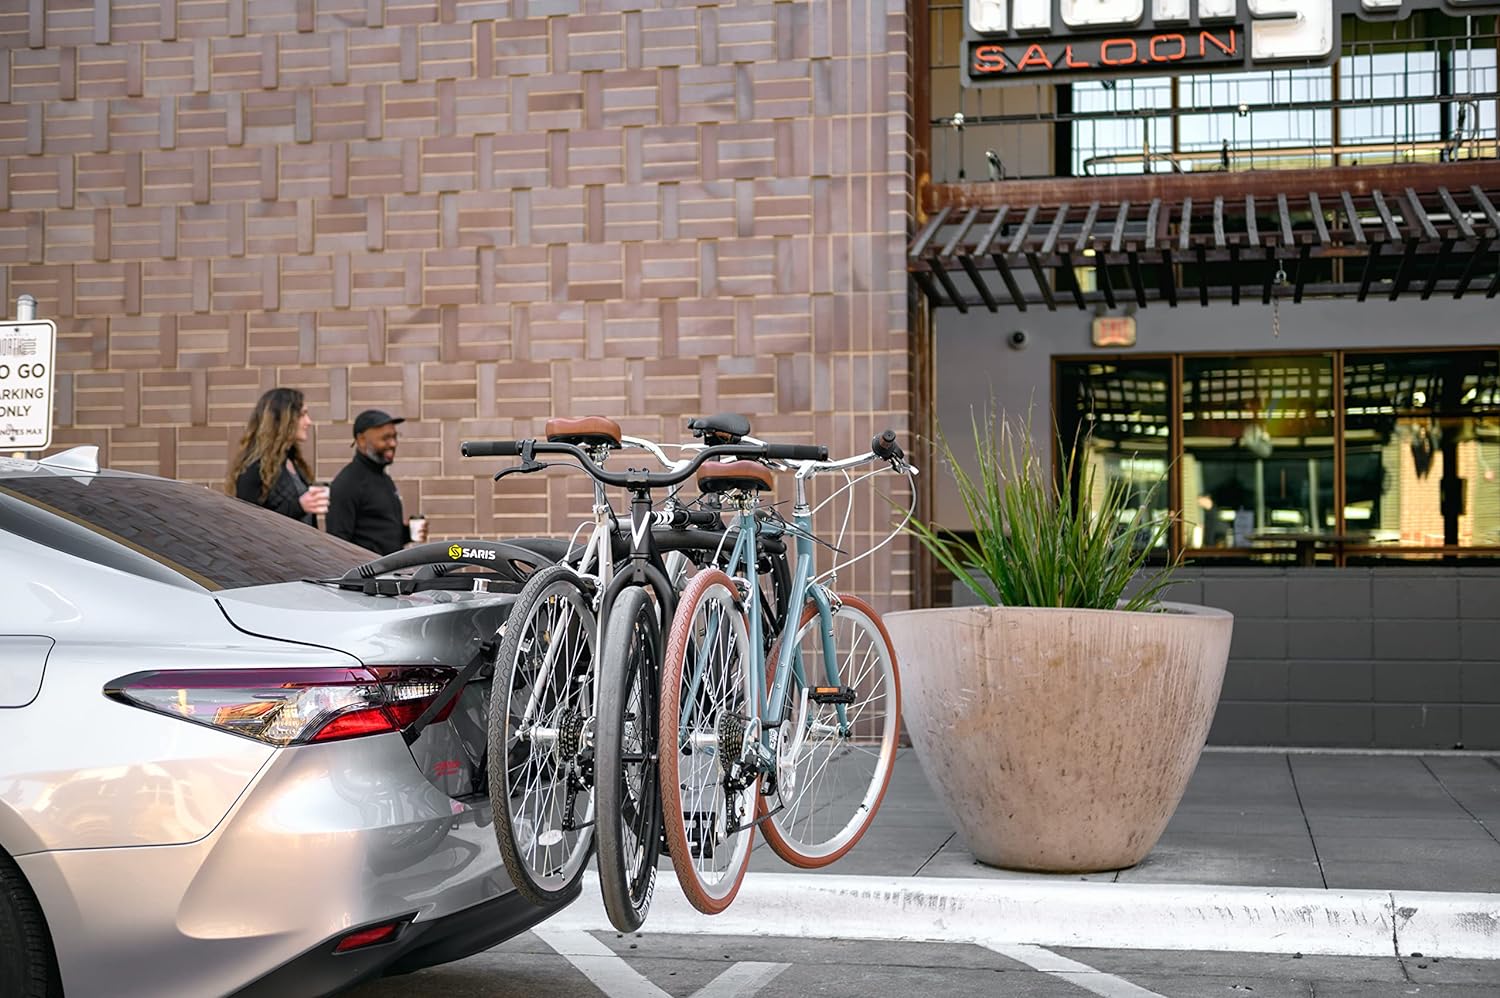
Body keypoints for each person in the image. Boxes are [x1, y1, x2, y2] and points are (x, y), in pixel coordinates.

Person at [326, 409, 428, 556]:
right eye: (385, 438)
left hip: (388, 568)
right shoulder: (347, 484)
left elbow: (377, 533)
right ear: (361, 440)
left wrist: (407, 533)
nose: (393, 443)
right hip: (367, 570)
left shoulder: (382, 477)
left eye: (394, 437)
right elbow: (337, 543)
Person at [227, 387, 328, 525]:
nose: (308, 422)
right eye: (302, 415)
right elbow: (249, 522)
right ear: (284, 420)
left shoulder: (291, 460)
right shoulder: (254, 468)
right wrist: (299, 507)